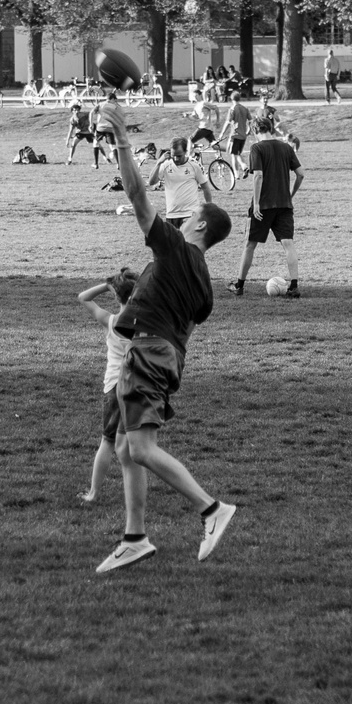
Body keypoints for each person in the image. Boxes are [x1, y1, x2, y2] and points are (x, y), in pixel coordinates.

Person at [96, 101, 236, 573]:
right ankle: (135, 537)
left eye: (195, 210)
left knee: (140, 449)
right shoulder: (204, 282)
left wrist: (121, 141)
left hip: (150, 353)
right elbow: (188, 332)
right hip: (165, 355)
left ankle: (212, 510)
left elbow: (138, 197)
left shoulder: (176, 248)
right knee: (122, 446)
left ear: (198, 225)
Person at [77, 269, 140, 504]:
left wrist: (106, 285)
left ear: (117, 297)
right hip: (137, 387)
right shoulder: (145, 323)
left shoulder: (111, 321)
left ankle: (93, 493)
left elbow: (83, 297)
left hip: (114, 387)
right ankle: (135, 490)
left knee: (108, 441)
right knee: (136, 444)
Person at [229, 118, 304, 297]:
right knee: (288, 244)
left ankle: (239, 286)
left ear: (255, 130)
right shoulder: (286, 147)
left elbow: (258, 176)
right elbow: (301, 174)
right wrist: (290, 195)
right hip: (284, 205)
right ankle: (294, 287)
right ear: (270, 128)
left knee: (249, 245)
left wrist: (256, 203)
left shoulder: (257, 148)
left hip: (263, 206)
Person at [147, 137, 212, 227]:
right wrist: (159, 163)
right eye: (174, 155)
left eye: (179, 156)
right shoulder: (166, 165)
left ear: (186, 152)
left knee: (188, 241)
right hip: (171, 215)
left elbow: (205, 187)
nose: (176, 159)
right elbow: (151, 182)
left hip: (190, 214)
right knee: (173, 241)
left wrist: (210, 207)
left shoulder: (194, 165)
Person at [219, 90, 252, 177]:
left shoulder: (232, 109)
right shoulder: (245, 109)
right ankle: (239, 171)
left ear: (231, 98)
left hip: (235, 135)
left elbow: (228, 122)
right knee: (237, 153)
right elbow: (251, 121)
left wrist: (222, 133)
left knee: (234, 154)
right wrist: (249, 130)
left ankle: (240, 170)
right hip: (243, 136)